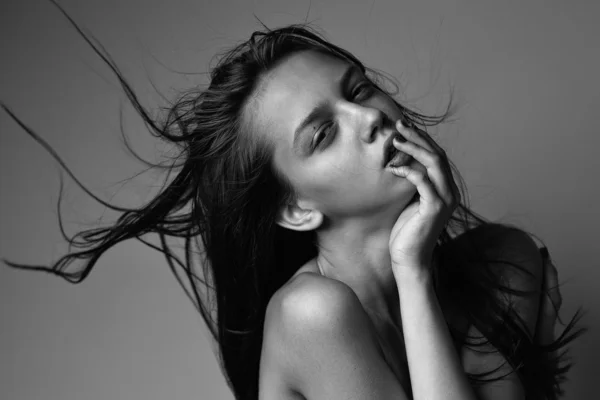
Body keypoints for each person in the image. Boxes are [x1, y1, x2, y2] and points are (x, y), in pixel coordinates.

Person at [1, 2, 585, 400]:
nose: (370, 118)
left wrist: (416, 276)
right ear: (296, 208)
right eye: (323, 133)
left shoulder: (504, 265)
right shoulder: (312, 314)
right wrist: (410, 271)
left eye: (358, 89)